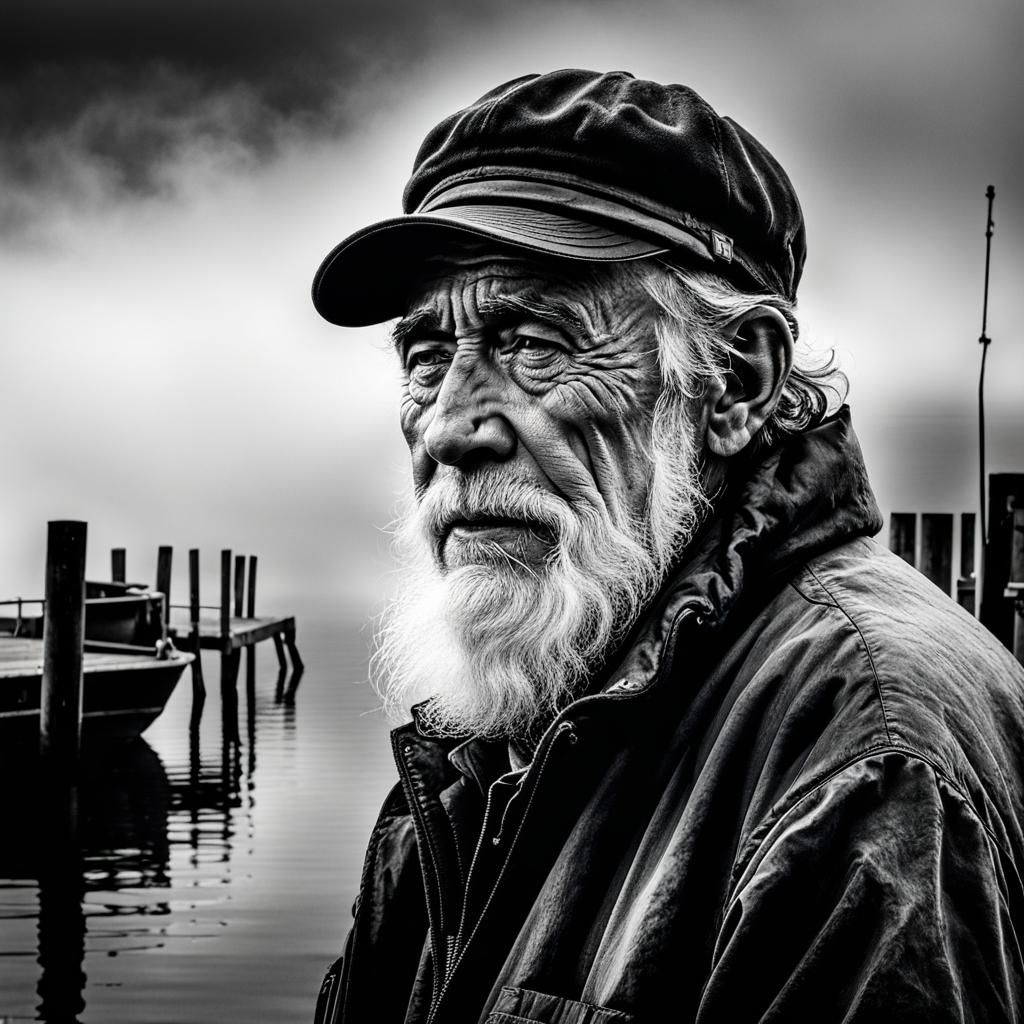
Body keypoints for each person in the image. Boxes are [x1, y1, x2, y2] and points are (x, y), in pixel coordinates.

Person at [310, 69, 1024, 1023]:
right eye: (427, 359)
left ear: (735, 382)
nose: (448, 427)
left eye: (535, 343)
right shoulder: (496, 726)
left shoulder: (868, 756)